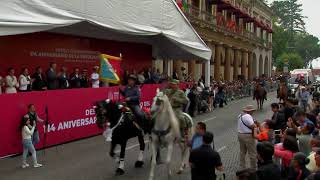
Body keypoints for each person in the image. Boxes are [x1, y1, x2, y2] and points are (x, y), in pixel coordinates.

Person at [237, 105, 257, 170]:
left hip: (240, 135)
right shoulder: (248, 116)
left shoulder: (240, 115)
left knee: (242, 152)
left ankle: (242, 167)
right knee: (252, 152)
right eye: (252, 111)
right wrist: (256, 126)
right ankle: (253, 168)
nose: (253, 112)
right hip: (248, 136)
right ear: (250, 111)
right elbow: (253, 126)